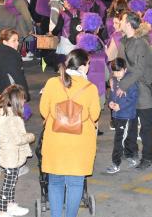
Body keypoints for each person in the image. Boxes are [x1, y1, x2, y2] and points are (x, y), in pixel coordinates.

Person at [40, 49, 101, 217]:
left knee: (55, 183)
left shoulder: (52, 83)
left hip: (56, 142)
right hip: (80, 144)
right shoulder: (90, 88)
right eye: (88, 64)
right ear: (82, 66)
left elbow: (44, 111)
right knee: (75, 184)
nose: (88, 67)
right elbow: (95, 115)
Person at [116, 12, 152, 170]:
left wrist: (122, 85)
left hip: (143, 89)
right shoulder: (125, 41)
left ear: (128, 24)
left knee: (146, 127)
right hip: (131, 89)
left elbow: (139, 70)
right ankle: (130, 151)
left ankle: (147, 158)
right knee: (131, 123)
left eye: (122, 19)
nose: (120, 21)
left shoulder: (140, 43)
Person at [0, 29, 30, 176]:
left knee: (0, 131)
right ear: (5, 42)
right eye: (14, 40)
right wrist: (23, 96)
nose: (17, 43)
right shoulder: (11, 55)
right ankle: (15, 167)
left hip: (1, 96)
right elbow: (17, 78)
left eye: (18, 40)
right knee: (15, 132)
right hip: (12, 98)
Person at [0, 84, 35, 217]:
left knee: (11, 182)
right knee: (8, 184)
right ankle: (3, 211)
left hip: (10, 154)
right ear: (17, 101)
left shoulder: (6, 114)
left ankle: (10, 205)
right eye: (23, 98)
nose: (24, 101)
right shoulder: (13, 119)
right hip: (11, 155)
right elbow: (18, 139)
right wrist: (31, 136)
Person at [105, 58, 139, 174]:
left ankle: (116, 163)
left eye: (119, 71)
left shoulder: (130, 82)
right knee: (126, 138)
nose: (117, 74)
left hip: (126, 115)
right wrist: (110, 102)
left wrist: (120, 106)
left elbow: (132, 99)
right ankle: (131, 156)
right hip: (117, 115)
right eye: (115, 72)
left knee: (119, 140)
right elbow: (112, 95)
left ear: (125, 69)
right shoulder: (114, 80)